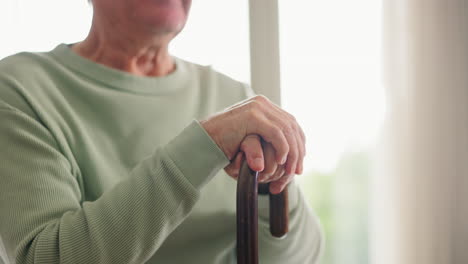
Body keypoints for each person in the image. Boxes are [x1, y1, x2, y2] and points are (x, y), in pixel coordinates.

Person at [0, 0, 323, 263]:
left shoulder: (234, 97)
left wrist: (275, 184)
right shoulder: (21, 89)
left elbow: (297, 256)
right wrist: (204, 145)